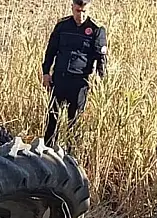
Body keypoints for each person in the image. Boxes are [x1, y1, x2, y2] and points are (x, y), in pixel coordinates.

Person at [40, 0, 108, 147]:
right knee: (52, 119)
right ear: (72, 8)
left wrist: (99, 81)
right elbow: (50, 51)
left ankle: (71, 158)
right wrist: (46, 72)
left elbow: (101, 59)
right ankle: (47, 153)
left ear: (89, 9)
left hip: (80, 82)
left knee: (74, 122)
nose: (81, 15)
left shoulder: (96, 29)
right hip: (59, 78)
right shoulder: (62, 26)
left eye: (84, 11)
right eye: (78, 11)